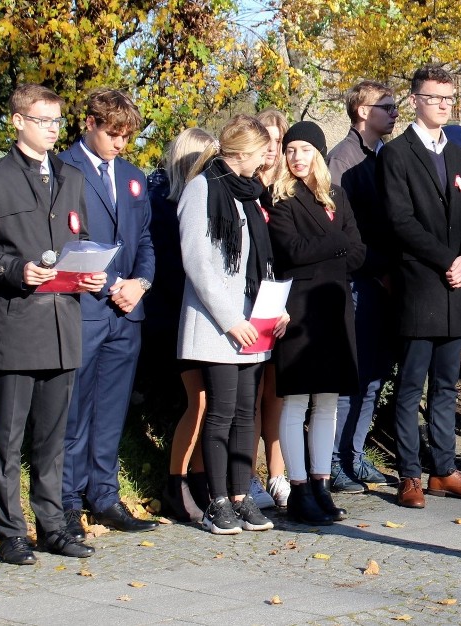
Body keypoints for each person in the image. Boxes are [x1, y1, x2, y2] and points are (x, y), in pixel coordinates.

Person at [0, 84, 105, 564]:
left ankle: (53, 527)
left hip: (64, 325)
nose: (52, 130)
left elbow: (75, 237)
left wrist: (90, 272)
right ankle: (10, 533)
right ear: (18, 121)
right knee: (8, 439)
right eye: (43, 121)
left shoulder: (71, 176)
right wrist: (14, 269)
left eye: (57, 122)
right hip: (17, 326)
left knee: (53, 438)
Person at [378, 65, 461, 509]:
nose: (443, 105)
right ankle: (410, 474)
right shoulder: (397, 155)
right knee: (411, 387)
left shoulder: (460, 154)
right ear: (415, 101)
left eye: (449, 98)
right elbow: (399, 222)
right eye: (434, 98)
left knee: (446, 385)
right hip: (420, 286)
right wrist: (448, 259)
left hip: (456, 287)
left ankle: (444, 470)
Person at [177, 114, 288, 534]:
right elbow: (198, 264)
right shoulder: (202, 188)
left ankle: (242, 497)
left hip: (253, 324)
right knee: (221, 414)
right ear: (242, 152)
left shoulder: (249, 193)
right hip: (217, 326)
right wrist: (231, 320)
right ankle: (217, 501)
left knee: (246, 413)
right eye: (263, 151)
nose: (268, 158)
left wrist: (277, 308)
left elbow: (262, 261)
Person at [59, 88, 158, 535]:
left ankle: (104, 495)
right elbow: (59, 239)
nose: (120, 144)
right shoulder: (63, 170)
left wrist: (142, 283)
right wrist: (107, 280)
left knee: (112, 410)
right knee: (74, 410)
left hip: (126, 314)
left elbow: (146, 241)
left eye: (126, 136)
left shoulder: (133, 176)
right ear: (90, 124)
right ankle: (64, 500)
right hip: (83, 307)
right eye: (112, 134)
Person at [268, 121, 366, 525]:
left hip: (335, 307)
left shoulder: (337, 196)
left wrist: (333, 246)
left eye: (305, 149)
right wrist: (337, 242)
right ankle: (299, 488)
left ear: (319, 154)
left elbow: (360, 253)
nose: (296, 157)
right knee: (295, 402)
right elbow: (292, 251)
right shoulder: (280, 200)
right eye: (290, 149)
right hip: (300, 308)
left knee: (327, 402)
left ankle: (321, 484)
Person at [327, 80, 400, 494]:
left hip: (386, 280)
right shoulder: (342, 159)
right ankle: (335, 462)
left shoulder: (383, 156)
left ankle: (354, 456)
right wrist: (377, 271)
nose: (393, 112)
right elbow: (342, 232)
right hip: (360, 281)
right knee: (352, 378)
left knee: (374, 377)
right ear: (361, 111)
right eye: (385, 106)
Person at [146, 128, 216, 522]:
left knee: (212, 401)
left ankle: (201, 478)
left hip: (200, 314)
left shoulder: (199, 196)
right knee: (199, 400)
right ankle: (177, 481)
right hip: (173, 316)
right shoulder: (161, 201)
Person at [249, 108, 291, 509]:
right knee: (252, 394)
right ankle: (249, 475)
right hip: (250, 303)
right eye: (267, 139)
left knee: (277, 395)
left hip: (281, 302)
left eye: (279, 140)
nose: (273, 148)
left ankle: (279, 474)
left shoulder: (286, 188)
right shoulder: (245, 187)